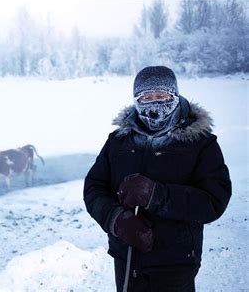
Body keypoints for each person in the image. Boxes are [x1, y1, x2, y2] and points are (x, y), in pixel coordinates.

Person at [83, 66, 231, 292]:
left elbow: (213, 201)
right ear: (136, 101)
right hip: (127, 259)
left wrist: (156, 195)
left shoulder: (201, 143)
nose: (154, 105)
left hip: (175, 262)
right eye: (146, 97)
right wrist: (116, 220)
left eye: (161, 96)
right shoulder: (118, 141)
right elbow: (94, 188)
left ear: (175, 96)